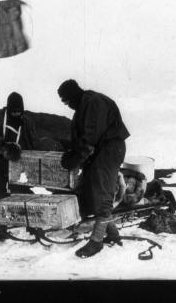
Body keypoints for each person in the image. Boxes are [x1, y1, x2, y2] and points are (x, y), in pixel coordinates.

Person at [58, 79, 130, 258]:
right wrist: (71, 151)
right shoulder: (82, 106)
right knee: (89, 189)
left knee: (102, 192)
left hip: (110, 149)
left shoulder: (93, 102)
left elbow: (91, 136)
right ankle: (112, 233)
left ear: (73, 95)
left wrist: (76, 157)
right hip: (98, 151)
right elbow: (80, 139)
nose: (66, 105)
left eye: (66, 100)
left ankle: (97, 241)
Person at [0, 92, 36, 202]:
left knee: (20, 193)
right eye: (13, 111)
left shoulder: (25, 122)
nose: (16, 114)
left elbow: (30, 142)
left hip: (16, 161)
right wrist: (4, 148)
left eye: (18, 111)